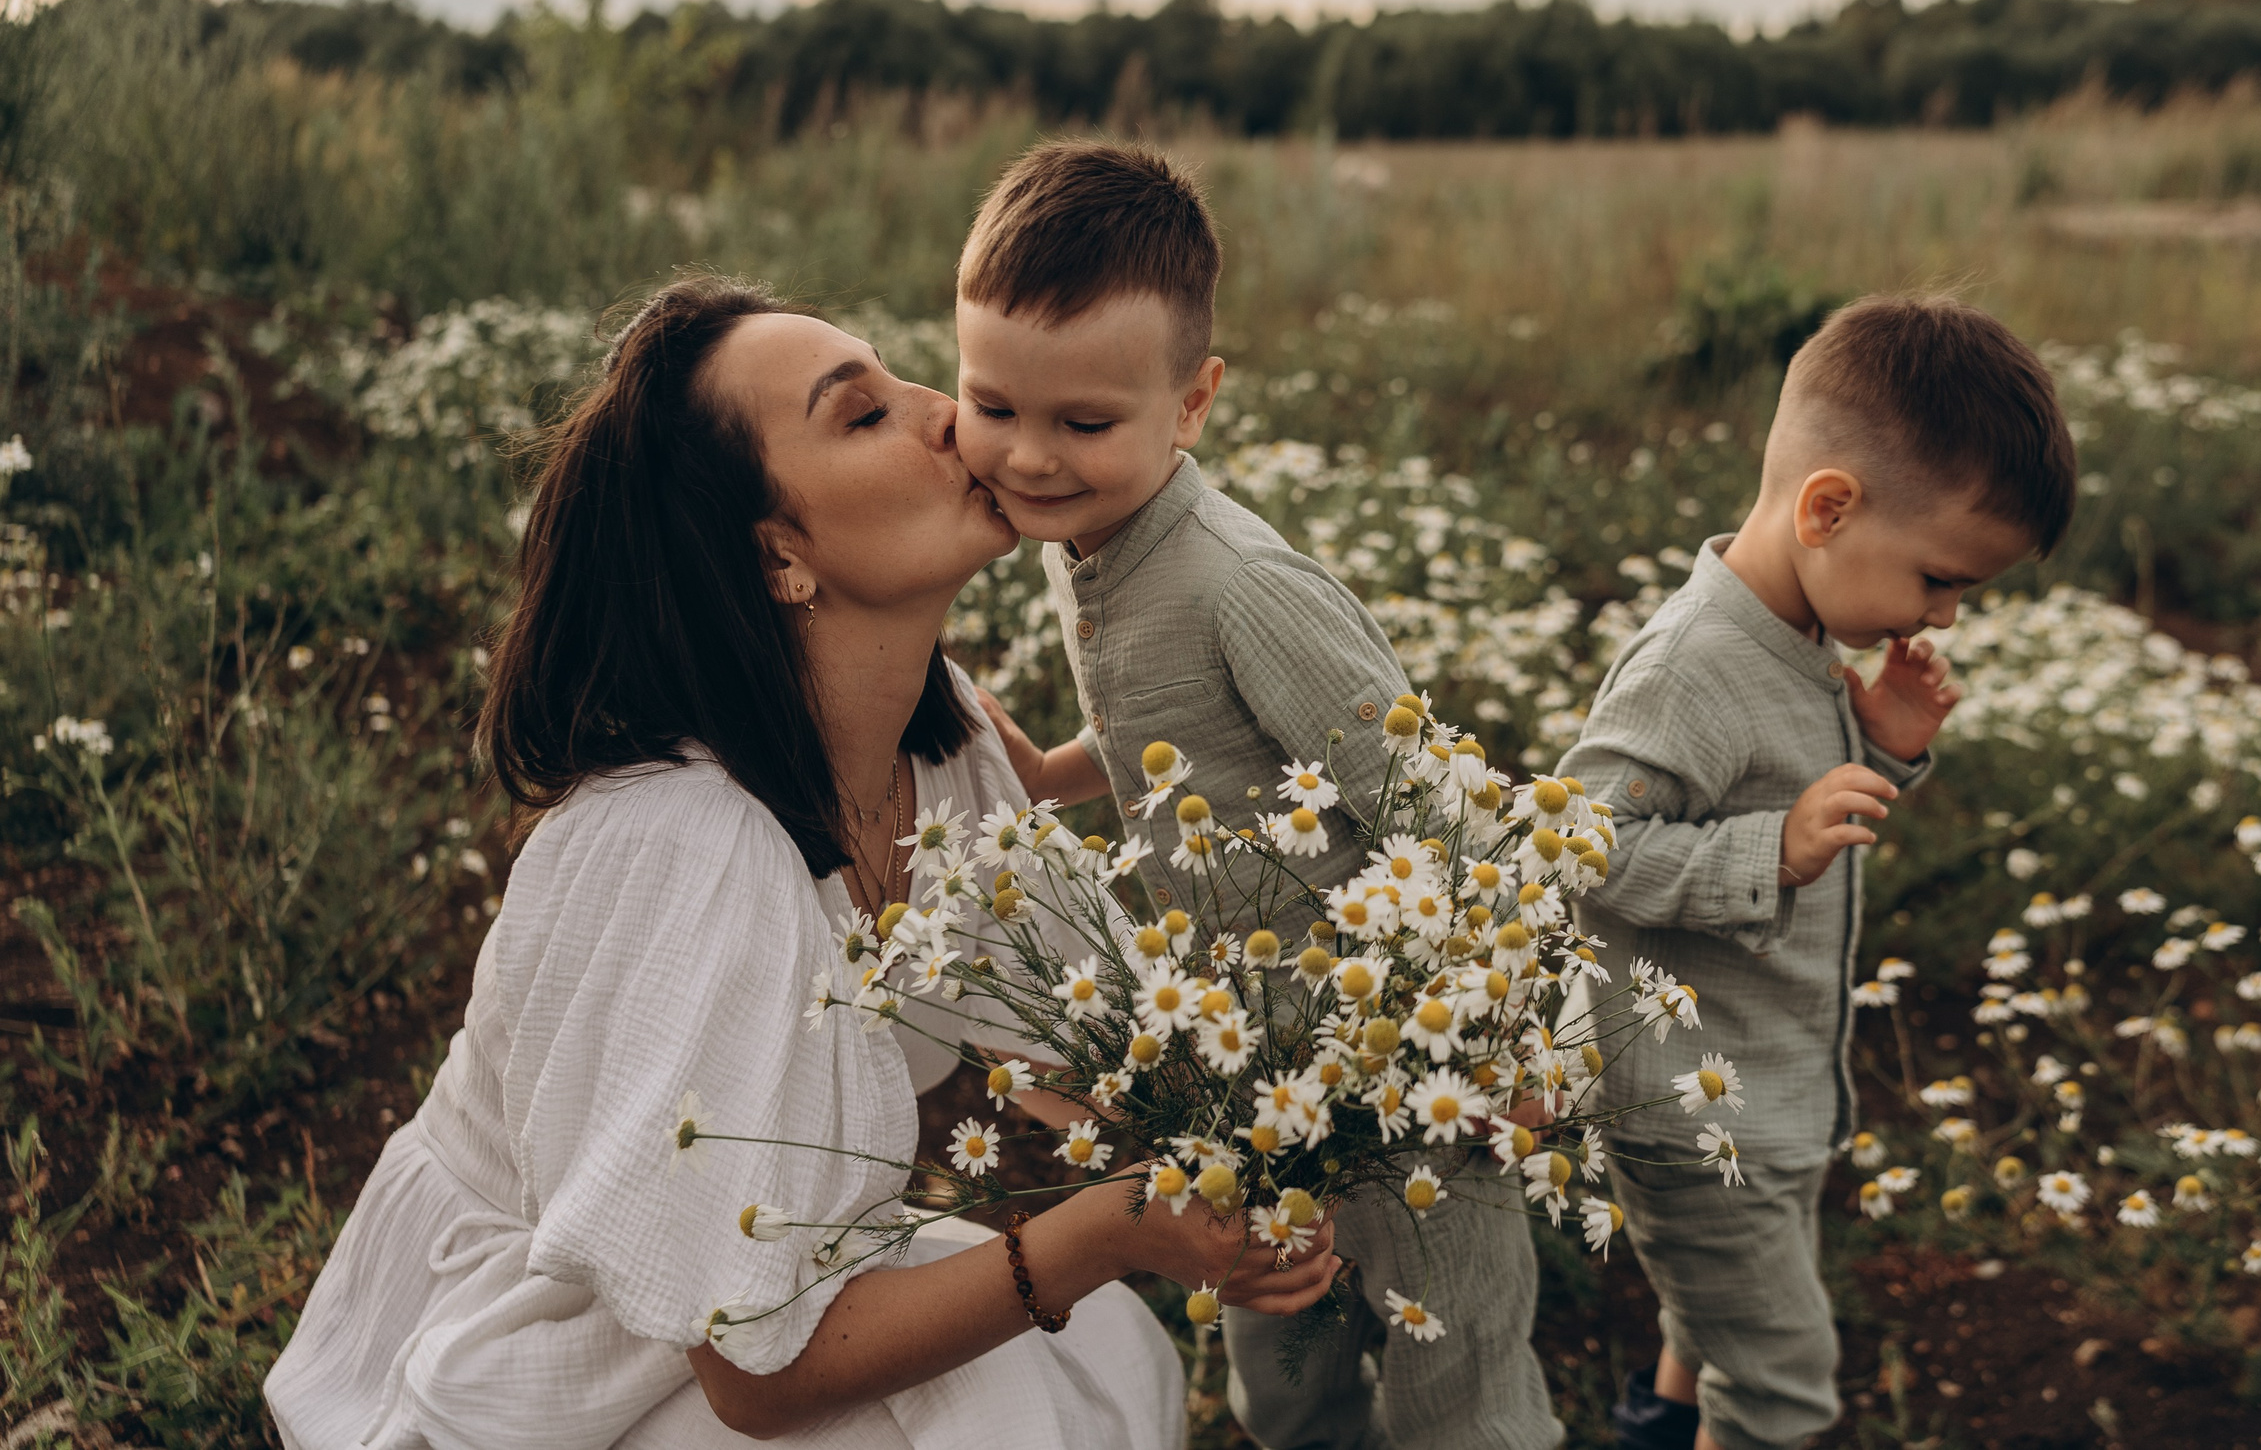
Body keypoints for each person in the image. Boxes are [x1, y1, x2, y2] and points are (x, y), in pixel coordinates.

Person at [262, 277, 1338, 1450]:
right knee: (993, 1395)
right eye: (862, 413)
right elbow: (754, 1377)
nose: (948, 412)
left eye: (904, 378)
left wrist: (1364, 1101)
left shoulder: (946, 746)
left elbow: (1095, 1049)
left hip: (753, 1315)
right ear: (780, 555)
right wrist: (1104, 1231)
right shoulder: (680, 844)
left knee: (1097, 1355)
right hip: (542, 1350)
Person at [950, 141, 1563, 1450]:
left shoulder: (1240, 583)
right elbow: (1183, 737)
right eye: (992, 405)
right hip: (1249, 1057)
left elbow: (1430, 795)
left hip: (1397, 1049)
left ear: (1195, 402)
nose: (1031, 456)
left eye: (1085, 422)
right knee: (1282, 1352)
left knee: (1448, 1357)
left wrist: (1511, 1027)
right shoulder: (1099, 541)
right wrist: (1061, 767)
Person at [1558, 295, 2077, 1450]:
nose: (1943, 613)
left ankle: (1658, 1424)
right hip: (1693, 1111)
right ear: (1828, 508)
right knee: (1780, 1386)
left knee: (1716, 1333)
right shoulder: (1691, 664)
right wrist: (1770, 849)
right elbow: (1579, 844)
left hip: (1766, 1085)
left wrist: (1880, 750)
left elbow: (1792, 805)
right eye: (1941, 579)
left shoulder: (1794, 638)